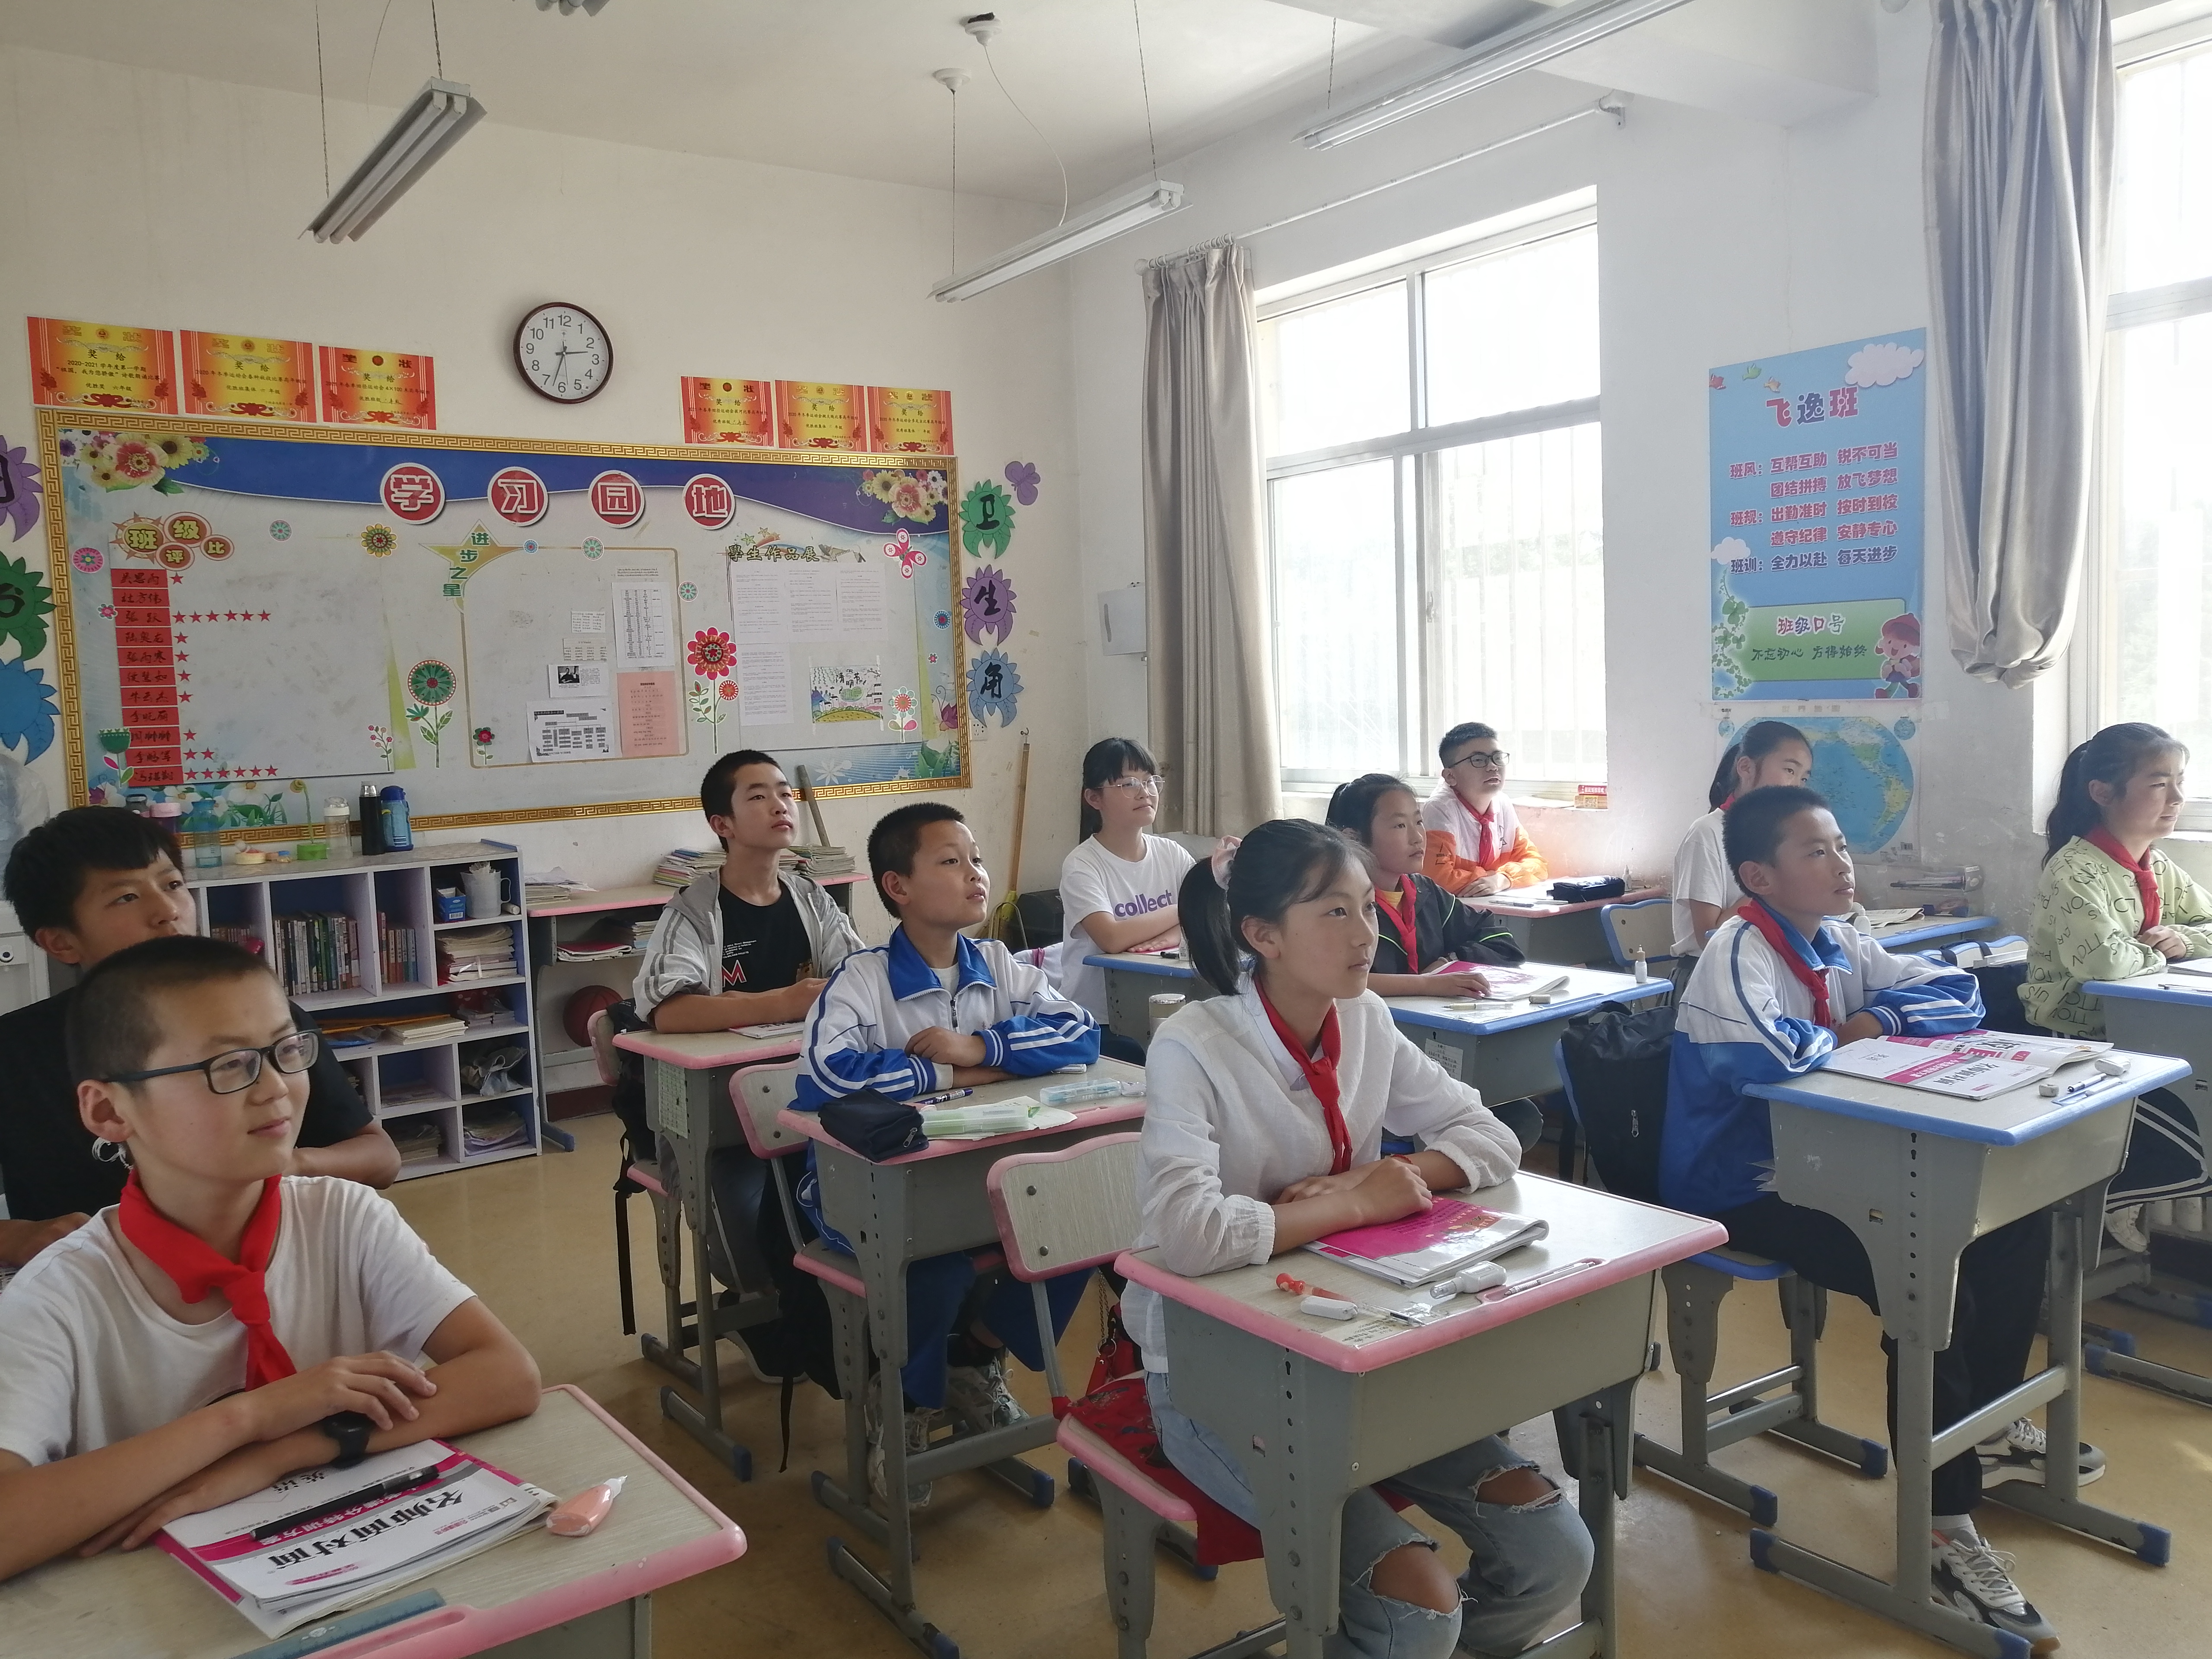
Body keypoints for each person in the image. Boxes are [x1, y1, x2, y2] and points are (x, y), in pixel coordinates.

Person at [1130, 820, 1592, 1659]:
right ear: (1263, 935)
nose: (1365, 932)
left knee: (1555, 1556)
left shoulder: (1366, 1017)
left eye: (1366, 908)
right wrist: (1353, 1207)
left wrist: (1375, 1181)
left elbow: (1491, 1137)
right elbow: (1189, 1235)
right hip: (1217, 1373)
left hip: (1359, 1349)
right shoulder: (1192, 1046)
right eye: (1333, 912)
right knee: (1419, 1609)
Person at [1661, 786, 2090, 1655]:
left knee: (2010, 1224)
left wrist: (1875, 1017)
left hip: (1836, 1166)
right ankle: (1942, 1521)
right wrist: (1862, 1031)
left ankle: (1982, 1423)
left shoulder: (1839, 940)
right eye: (1815, 851)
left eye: (1840, 845)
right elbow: (1766, 1055)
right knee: (1925, 1269)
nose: (1842, 863)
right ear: (1758, 876)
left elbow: (1959, 995)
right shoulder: (1738, 950)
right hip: (1743, 1186)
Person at [0, 935, 541, 1582]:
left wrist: (280, 1452)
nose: (277, 1089)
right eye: (228, 1066)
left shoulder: (342, 1217)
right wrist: (251, 1417)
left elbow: (507, 1375)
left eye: (286, 1051)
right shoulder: (57, 1297)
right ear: (110, 1110)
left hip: (361, 1566)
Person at [794, 801, 1100, 1504]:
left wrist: (982, 1046)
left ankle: (975, 1356)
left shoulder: (998, 965)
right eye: (951, 861)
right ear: (897, 886)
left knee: (1081, 1222)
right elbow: (825, 1078)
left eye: (977, 859)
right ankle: (903, 1404)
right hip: (869, 1198)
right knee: (930, 1267)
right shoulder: (863, 979)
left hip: (978, 1188)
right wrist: (950, 1071)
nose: (975, 874)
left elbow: (1080, 1034)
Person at [0, 808, 397, 1272]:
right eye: (126, 897)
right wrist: (15, 1237)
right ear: (62, 943)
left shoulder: (269, 1023)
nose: (168, 911)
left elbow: (381, 1159)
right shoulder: (14, 1052)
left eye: (172, 885)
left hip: (269, 1269)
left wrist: (291, 1165)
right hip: (94, 1284)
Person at [2022, 723, 2212, 1247]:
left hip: (2141, 1031)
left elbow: (2206, 926)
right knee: (2191, 1142)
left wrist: (2180, 939)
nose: (2176, 798)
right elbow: (2104, 964)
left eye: (2179, 782)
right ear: (2102, 793)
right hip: (2074, 1043)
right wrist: (2162, 949)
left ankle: (2113, 1190)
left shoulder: (2156, 865)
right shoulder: (2074, 869)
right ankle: (2107, 1193)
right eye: (2158, 784)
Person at [1325, 772, 1543, 1152]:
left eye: (1419, 822)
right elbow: (1333, 980)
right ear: (1353, 837)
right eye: (1399, 826)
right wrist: (1427, 984)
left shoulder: (1425, 892)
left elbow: (1500, 942)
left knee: (1517, 1116)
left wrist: (1450, 963)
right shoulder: (1336, 906)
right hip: (1361, 1063)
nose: (1418, 837)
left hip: (1432, 1051)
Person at [633, 750, 864, 1031]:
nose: (780, 807)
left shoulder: (813, 899)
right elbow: (670, 1013)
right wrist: (784, 1004)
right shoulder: (695, 910)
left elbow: (860, 978)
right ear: (722, 824)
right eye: (758, 797)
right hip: (725, 1058)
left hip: (807, 1053)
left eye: (786, 794)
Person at [1055, 737, 1193, 1062]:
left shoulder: (1171, 853)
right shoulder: (1082, 864)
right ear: (1094, 798)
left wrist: (1172, 935)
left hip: (1168, 1006)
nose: (1145, 792)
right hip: (1099, 1021)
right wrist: (1182, 910)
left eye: (1150, 781)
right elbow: (1112, 938)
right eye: (1129, 784)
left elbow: (1212, 915)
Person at [1670, 720, 1814, 960]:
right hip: (1711, 969)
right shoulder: (1707, 833)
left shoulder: (1780, 837)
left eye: (1804, 779)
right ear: (1746, 768)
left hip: (1765, 964)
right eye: (1790, 771)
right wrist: (1774, 885)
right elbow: (1709, 937)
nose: (1797, 788)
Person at [1422, 723, 1546, 897]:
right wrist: (1490, 877)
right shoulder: (1440, 809)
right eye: (1479, 760)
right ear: (1450, 776)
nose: (1493, 767)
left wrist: (1504, 879)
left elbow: (1537, 864)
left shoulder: (1502, 803)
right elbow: (1438, 879)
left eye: (1498, 757)